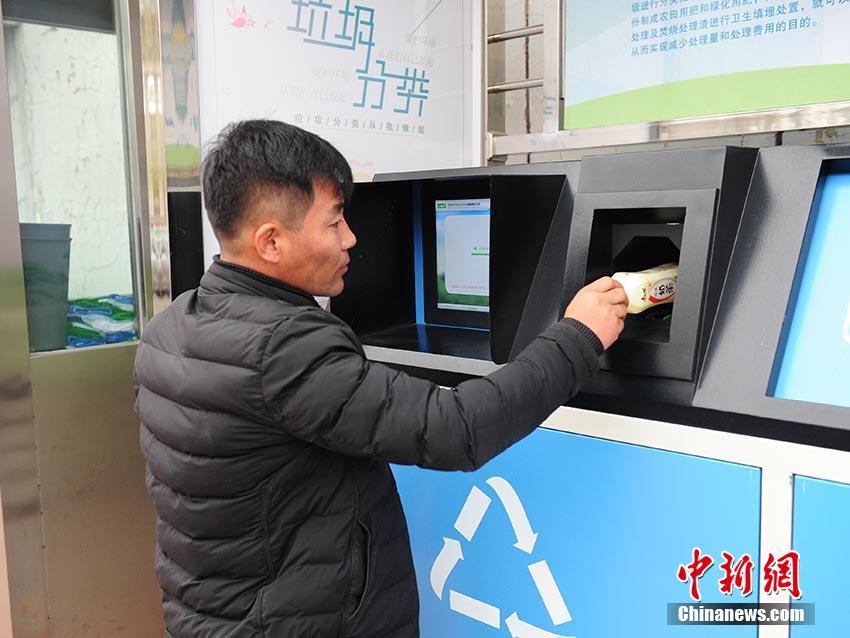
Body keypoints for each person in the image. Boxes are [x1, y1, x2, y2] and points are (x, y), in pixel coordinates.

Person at [134, 120, 628, 638]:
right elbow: (456, 429)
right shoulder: (285, 348)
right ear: (271, 242)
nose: (351, 237)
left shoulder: (169, 329)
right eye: (333, 222)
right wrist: (578, 336)